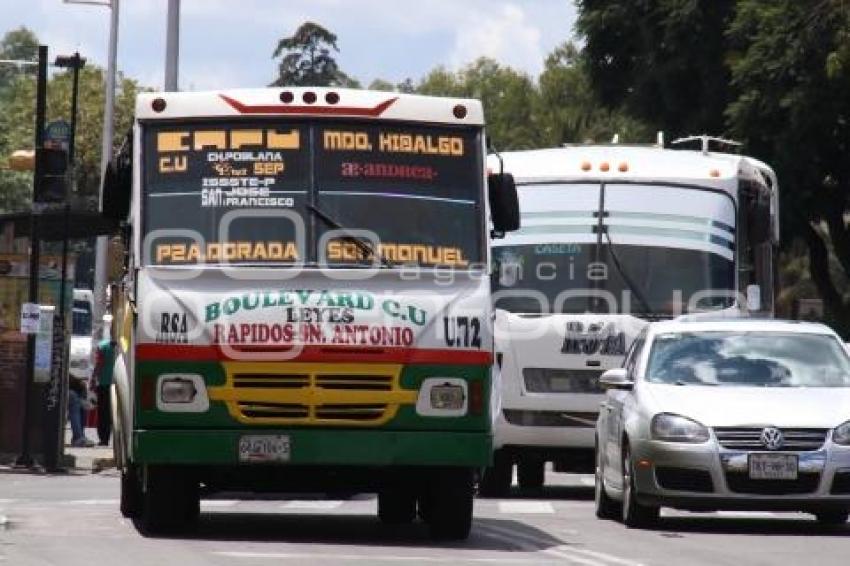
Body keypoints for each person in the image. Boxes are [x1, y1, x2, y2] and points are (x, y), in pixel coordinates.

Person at [91, 338, 116, 446]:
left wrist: (93, 378)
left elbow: (99, 363)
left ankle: (104, 439)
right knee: (111, 412)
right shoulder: (120, 344)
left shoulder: (102, 346)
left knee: (103, 413)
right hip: (116, 384)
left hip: (104, 383)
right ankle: (108, 438)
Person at [68, 373, 94, 447]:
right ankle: (78, 437)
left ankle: (80, 436)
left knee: (82, 405)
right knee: (73, 399)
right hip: (67, 389)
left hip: (75, 388)